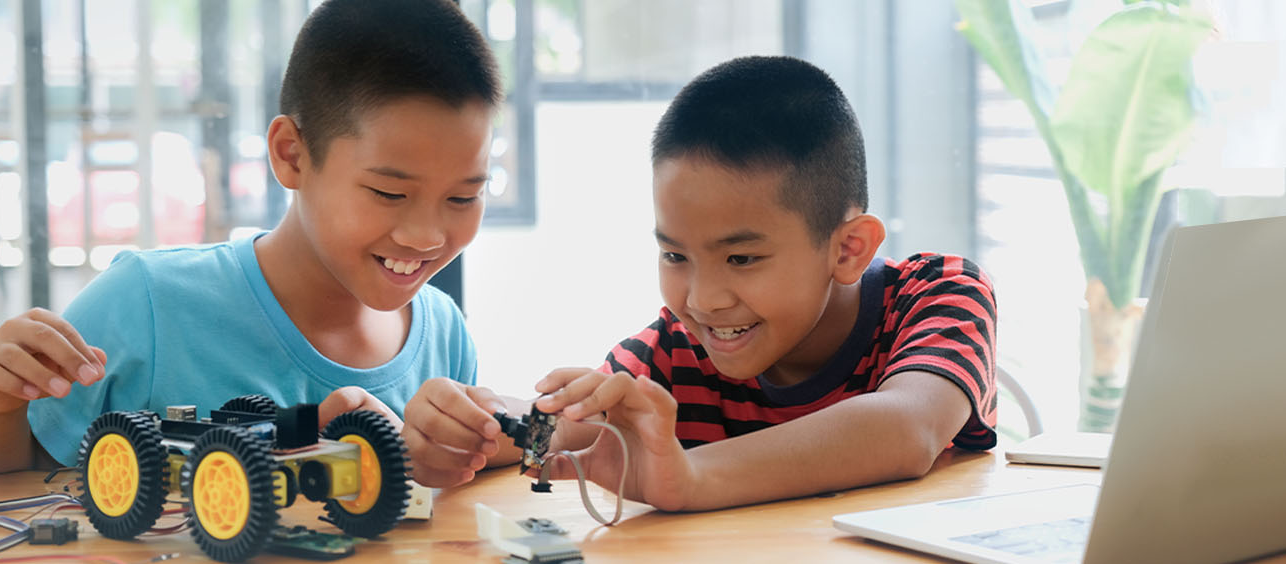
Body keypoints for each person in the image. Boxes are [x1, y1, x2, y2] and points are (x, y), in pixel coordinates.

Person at [0, 0, 505, 473]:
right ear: (292, 155)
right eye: (388, 193)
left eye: (463, 197)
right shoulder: (148, 304)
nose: (427, 235)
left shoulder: (445, 335)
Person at [414, 56, 999, 511]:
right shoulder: (676, 351)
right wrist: (475, 427)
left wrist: (692, 479)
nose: (701, 300)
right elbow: (570, 429)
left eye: (741, 258)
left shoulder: (940, 294)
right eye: (674, 254)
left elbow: (905, 429)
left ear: (848, 249)